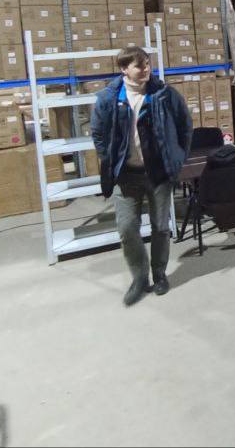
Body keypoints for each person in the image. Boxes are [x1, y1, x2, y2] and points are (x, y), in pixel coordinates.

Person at [91, 46, 193, 307]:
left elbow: (185, 125)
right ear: (124, 69)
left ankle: (159, 274)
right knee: (127, 228)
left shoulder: (164, 94)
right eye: (139, 65)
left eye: (147, 63)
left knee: (161, 227)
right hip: (126, 175)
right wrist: (109, 158)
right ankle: (139, 277)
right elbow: (98, 133)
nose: (146, 69)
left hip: (158, 173)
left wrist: (177, 157)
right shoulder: (109, 98)